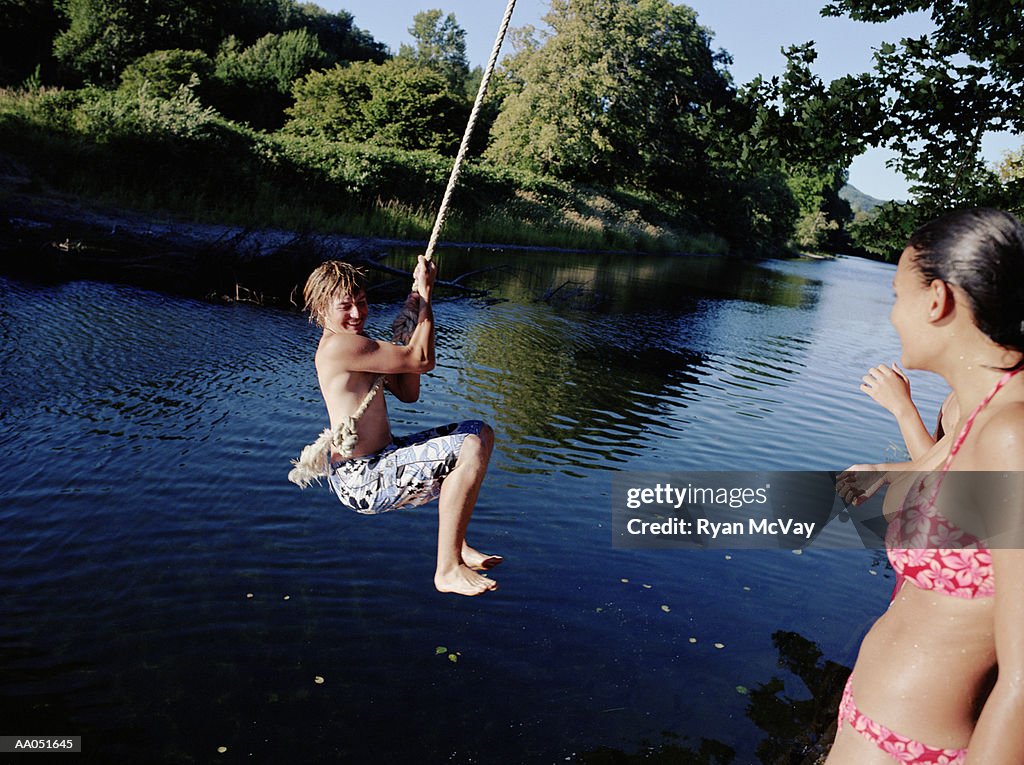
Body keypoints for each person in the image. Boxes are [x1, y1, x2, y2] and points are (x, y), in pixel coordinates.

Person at [830, 208, 1024, 764]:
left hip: (914, 746)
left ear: (936, 299)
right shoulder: (980, 410)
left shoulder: (1013, 432)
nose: (891, 314)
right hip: (872, 720)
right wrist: (888, 477)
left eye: (896, 294)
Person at [297, 257, 501, 597]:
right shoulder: (340, 346)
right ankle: (447, 569)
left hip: (381, 460)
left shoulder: (361, 344)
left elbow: (409, 391)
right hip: (362, 477)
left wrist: (410, 323)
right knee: (469, 447)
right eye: (344, 307)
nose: (356, 314)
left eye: (361, 303)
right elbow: (422, 360)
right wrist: (425, 293)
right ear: (321, 309)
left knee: (478, 432)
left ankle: (457, 546)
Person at [859, 362, 959, 461]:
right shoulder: (959, 394)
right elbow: (937, 459)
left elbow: (936, 472)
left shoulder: (970, 403)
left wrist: (902, 407)